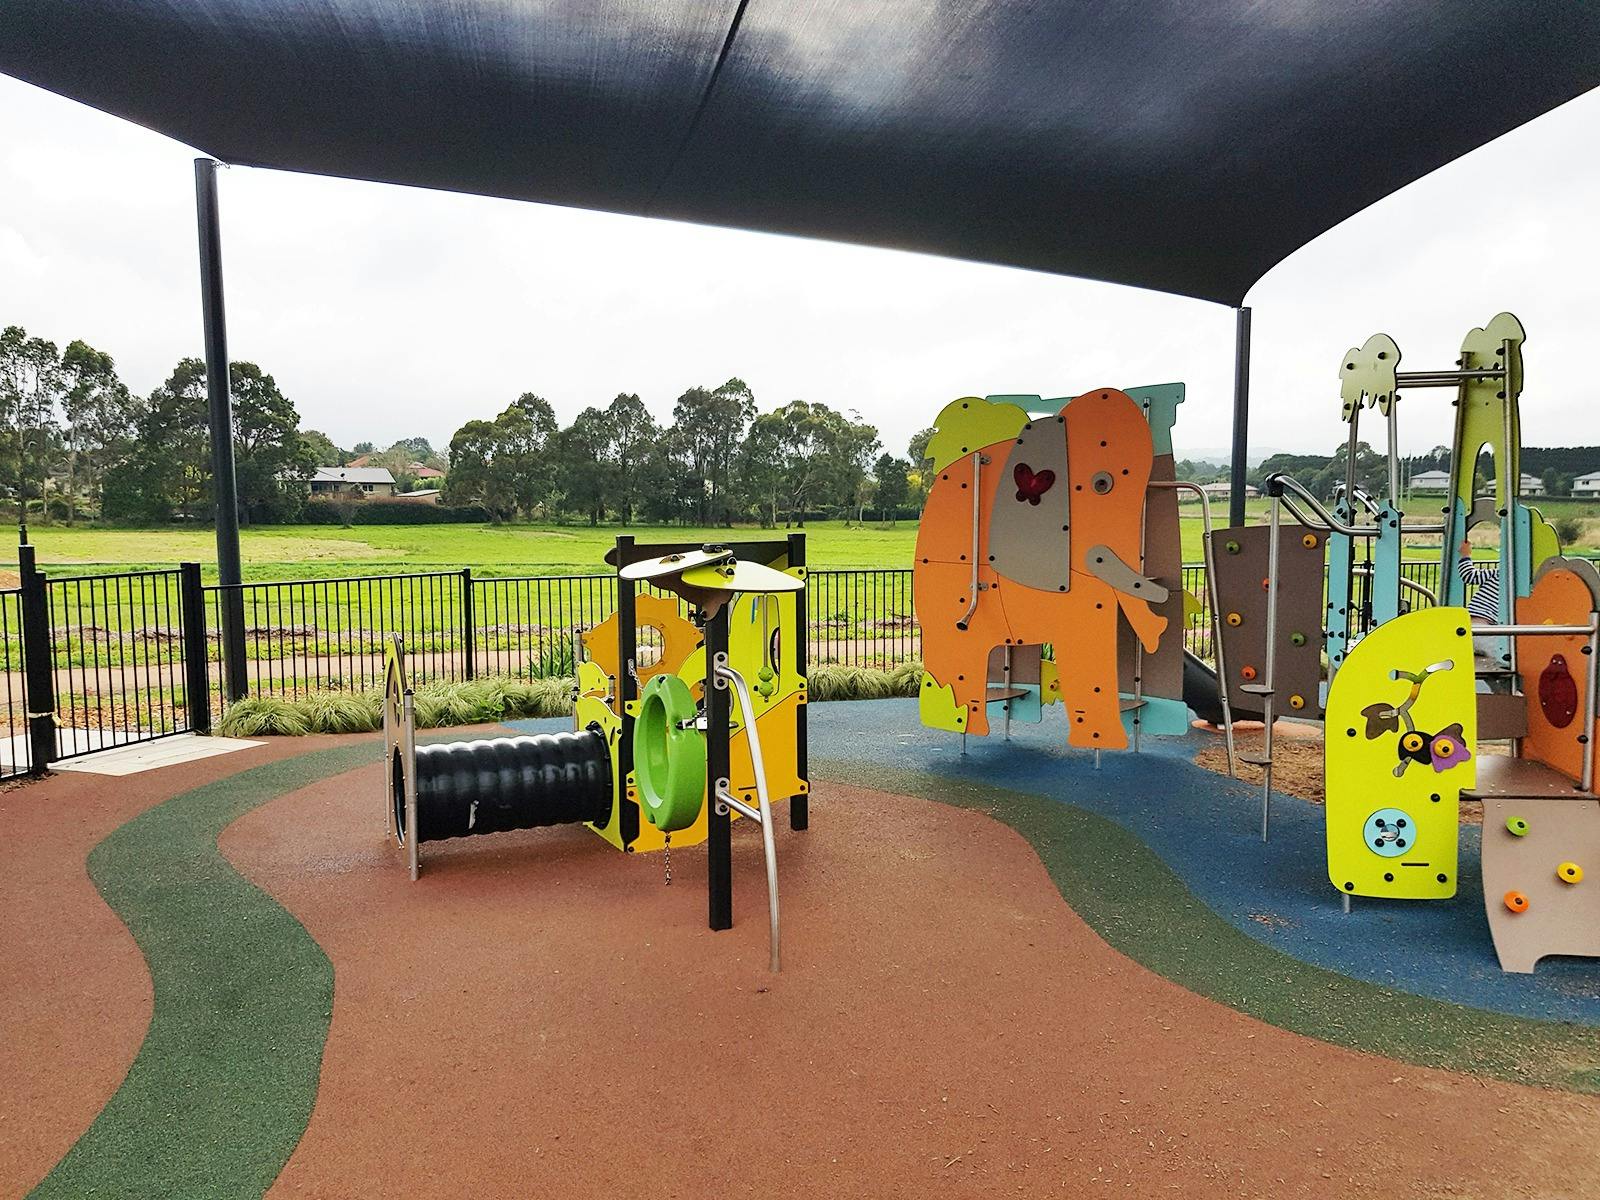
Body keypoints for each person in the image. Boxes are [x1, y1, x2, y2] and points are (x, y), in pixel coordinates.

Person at [1458, 538, 1503, 662]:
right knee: (1503, 653)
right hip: (1482, 628)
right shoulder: (1524, 588)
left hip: (1467, 626)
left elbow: (1468, 574)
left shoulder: (1496, 573)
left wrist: (1465, 554)